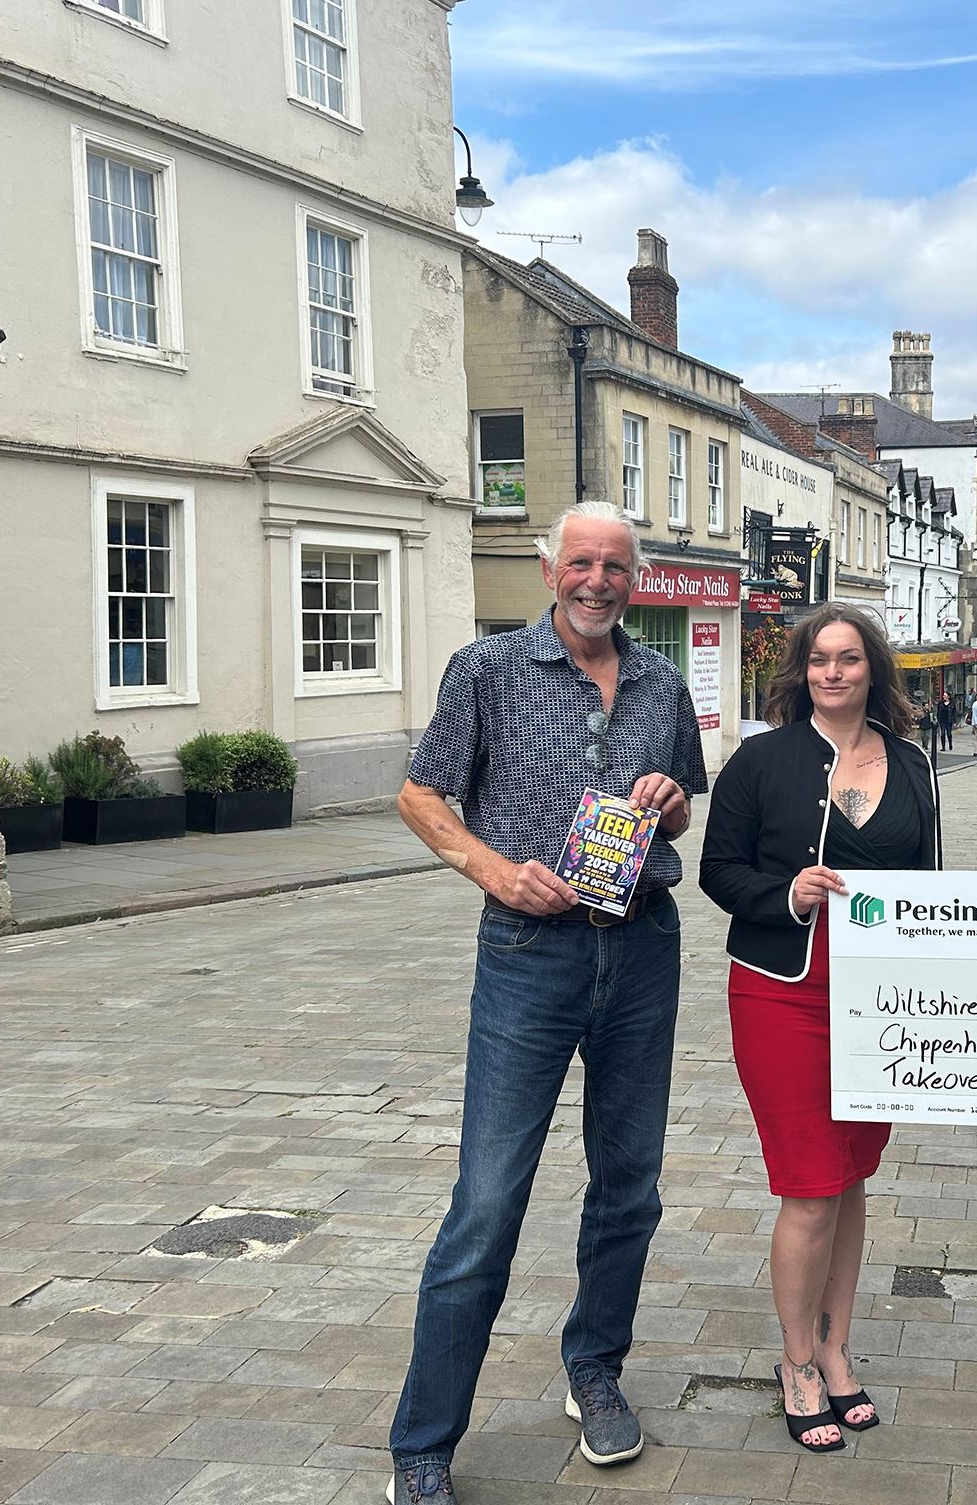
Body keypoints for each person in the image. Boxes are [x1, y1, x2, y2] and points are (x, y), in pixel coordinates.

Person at [387, 502, 709, 1505]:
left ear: (634, 578)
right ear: (549, 571)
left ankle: (594, 1370)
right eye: (581, 563)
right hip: (529, 953)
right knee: (488, 1200)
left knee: (630, 1185)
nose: (597, 580)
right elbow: (419, 795)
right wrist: (493, 870)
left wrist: (669, 802)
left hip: (641, 947)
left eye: (615, 565)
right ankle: (423, 1443)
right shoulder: (486, 670)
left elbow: (679, 809)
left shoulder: (661, 684)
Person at [700, 604, 941, 1453]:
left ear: (873, 668)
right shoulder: (762, 759)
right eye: (818, 660)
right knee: (808, 1184)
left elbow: (930, 880)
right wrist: (785, 893)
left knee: (850, 1176)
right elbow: (717, 871)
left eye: (848, 658)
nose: (832, 673)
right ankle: (797, 1361)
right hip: (784, 992)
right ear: (801, 673)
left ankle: (838, 1348)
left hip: (879, 998)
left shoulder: (913, 761)